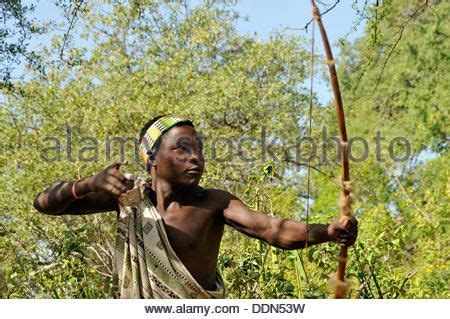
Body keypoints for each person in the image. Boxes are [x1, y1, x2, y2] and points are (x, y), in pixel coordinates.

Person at [34, 114, 358, 299]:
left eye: (199, 149)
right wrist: (87, 185)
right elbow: (45, 203)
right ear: (151, 159)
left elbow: (272, 229)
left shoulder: (214, 202)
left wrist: (327, 231)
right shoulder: (128, 198)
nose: (196, 157)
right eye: (183, 148)